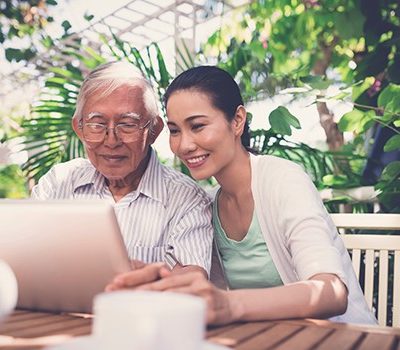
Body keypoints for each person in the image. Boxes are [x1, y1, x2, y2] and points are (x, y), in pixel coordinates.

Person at [108, 66, 377, 326]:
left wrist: (230, 304)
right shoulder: (208, 204)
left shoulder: (281, 179)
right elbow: (201, 293)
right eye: (175, 130)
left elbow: (330, 292)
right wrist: (158, 281)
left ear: (237, 121)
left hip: (342, 339)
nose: (184, 145)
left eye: (198, 126)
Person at [31, 61, 213, 277]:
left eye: (127, 124)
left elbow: (190, 285)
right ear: (79, 129)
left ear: (154, 130)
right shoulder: (57, 184)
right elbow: (23, 260)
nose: (111, 140)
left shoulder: (186, 200)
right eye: (97, 124)